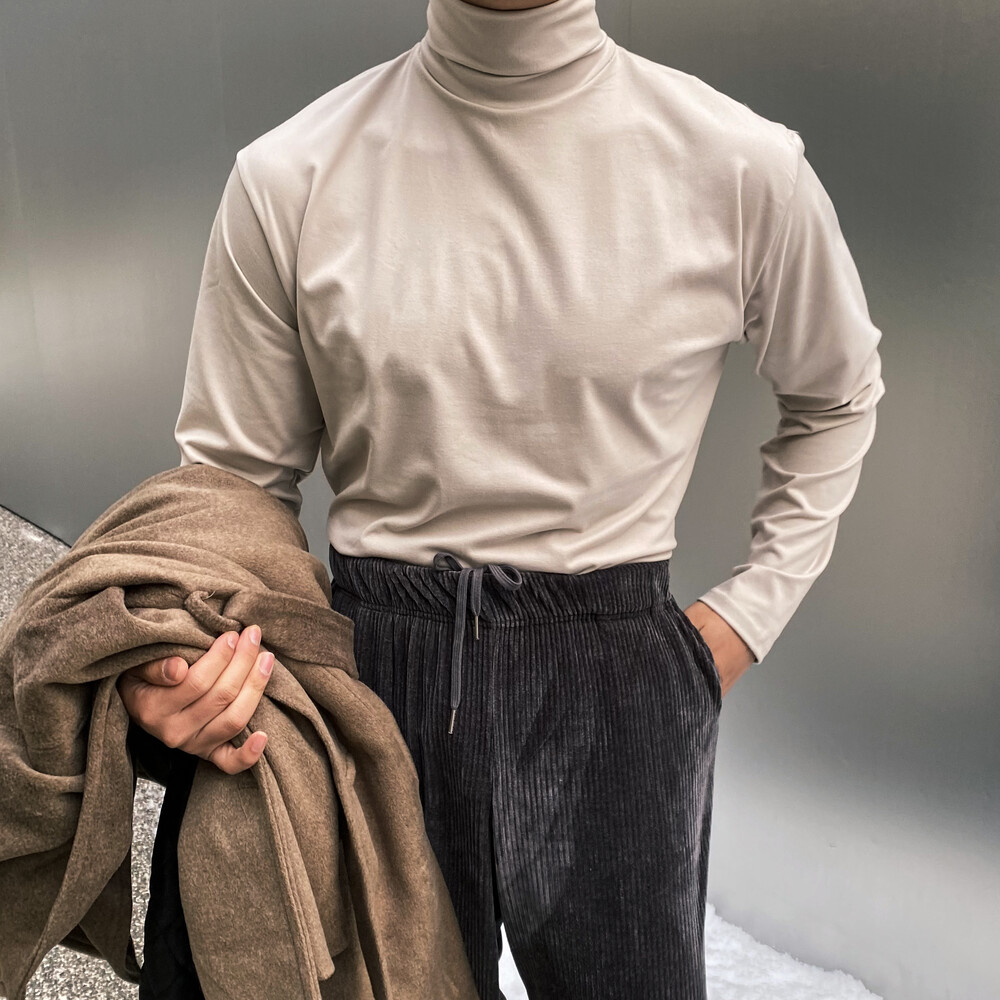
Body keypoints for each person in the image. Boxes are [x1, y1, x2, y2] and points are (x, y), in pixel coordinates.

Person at [117, 0, 886, 996]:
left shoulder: (738, 167)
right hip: (371, 672)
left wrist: (743, 619)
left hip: (615, 677)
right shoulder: (293, 173)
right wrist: (186, 664)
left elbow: (836, 393)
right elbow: (230, 490)